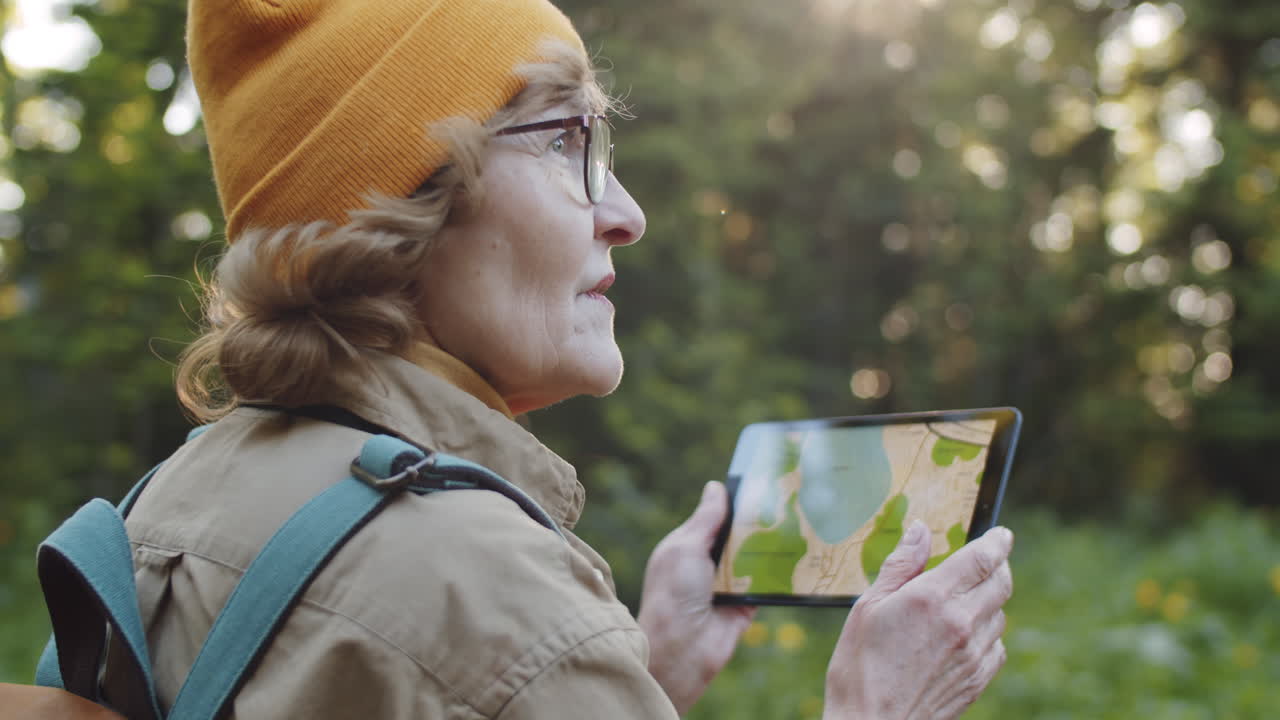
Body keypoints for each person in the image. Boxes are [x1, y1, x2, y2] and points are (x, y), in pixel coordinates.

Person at [104, 0, 1015, 717]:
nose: (627, 213)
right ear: (398, 217)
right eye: (561, 139)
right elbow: (474, 655)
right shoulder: (491, 596)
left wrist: (633, 668)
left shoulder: (169, 502)